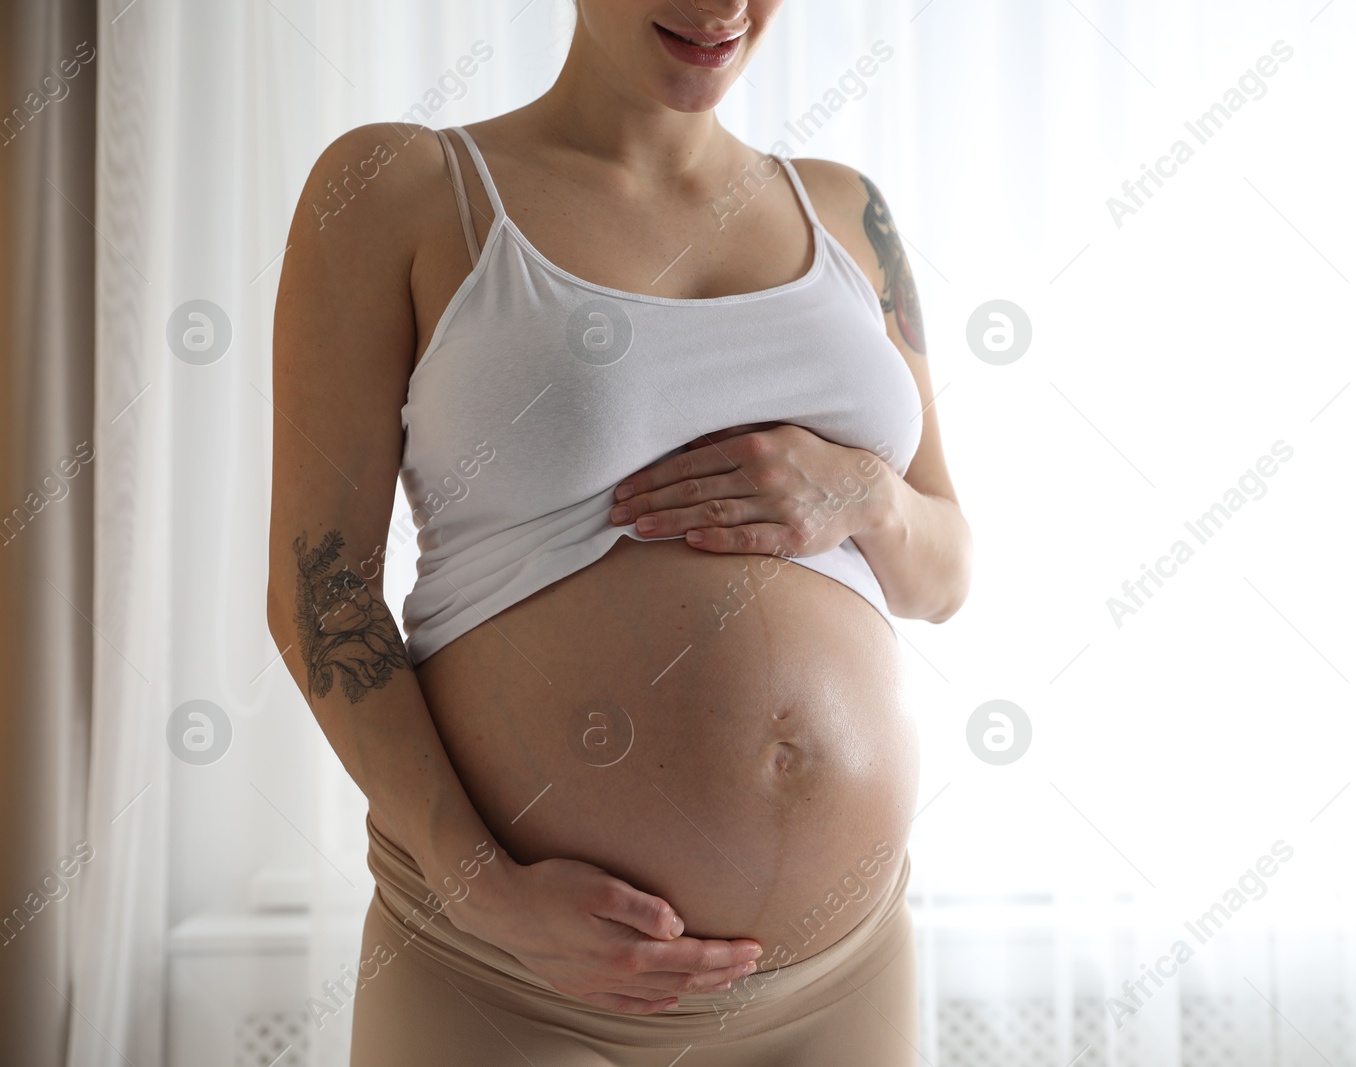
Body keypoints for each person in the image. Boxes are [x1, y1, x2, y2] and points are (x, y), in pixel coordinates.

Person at [266, 1, 971, 1062]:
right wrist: (486, 893)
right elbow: (319, 593)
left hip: (839, 981)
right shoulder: (397, 188)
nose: (721, 9)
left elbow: (944, 569)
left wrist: (865, 493)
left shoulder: (846, 211)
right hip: (511, 979)